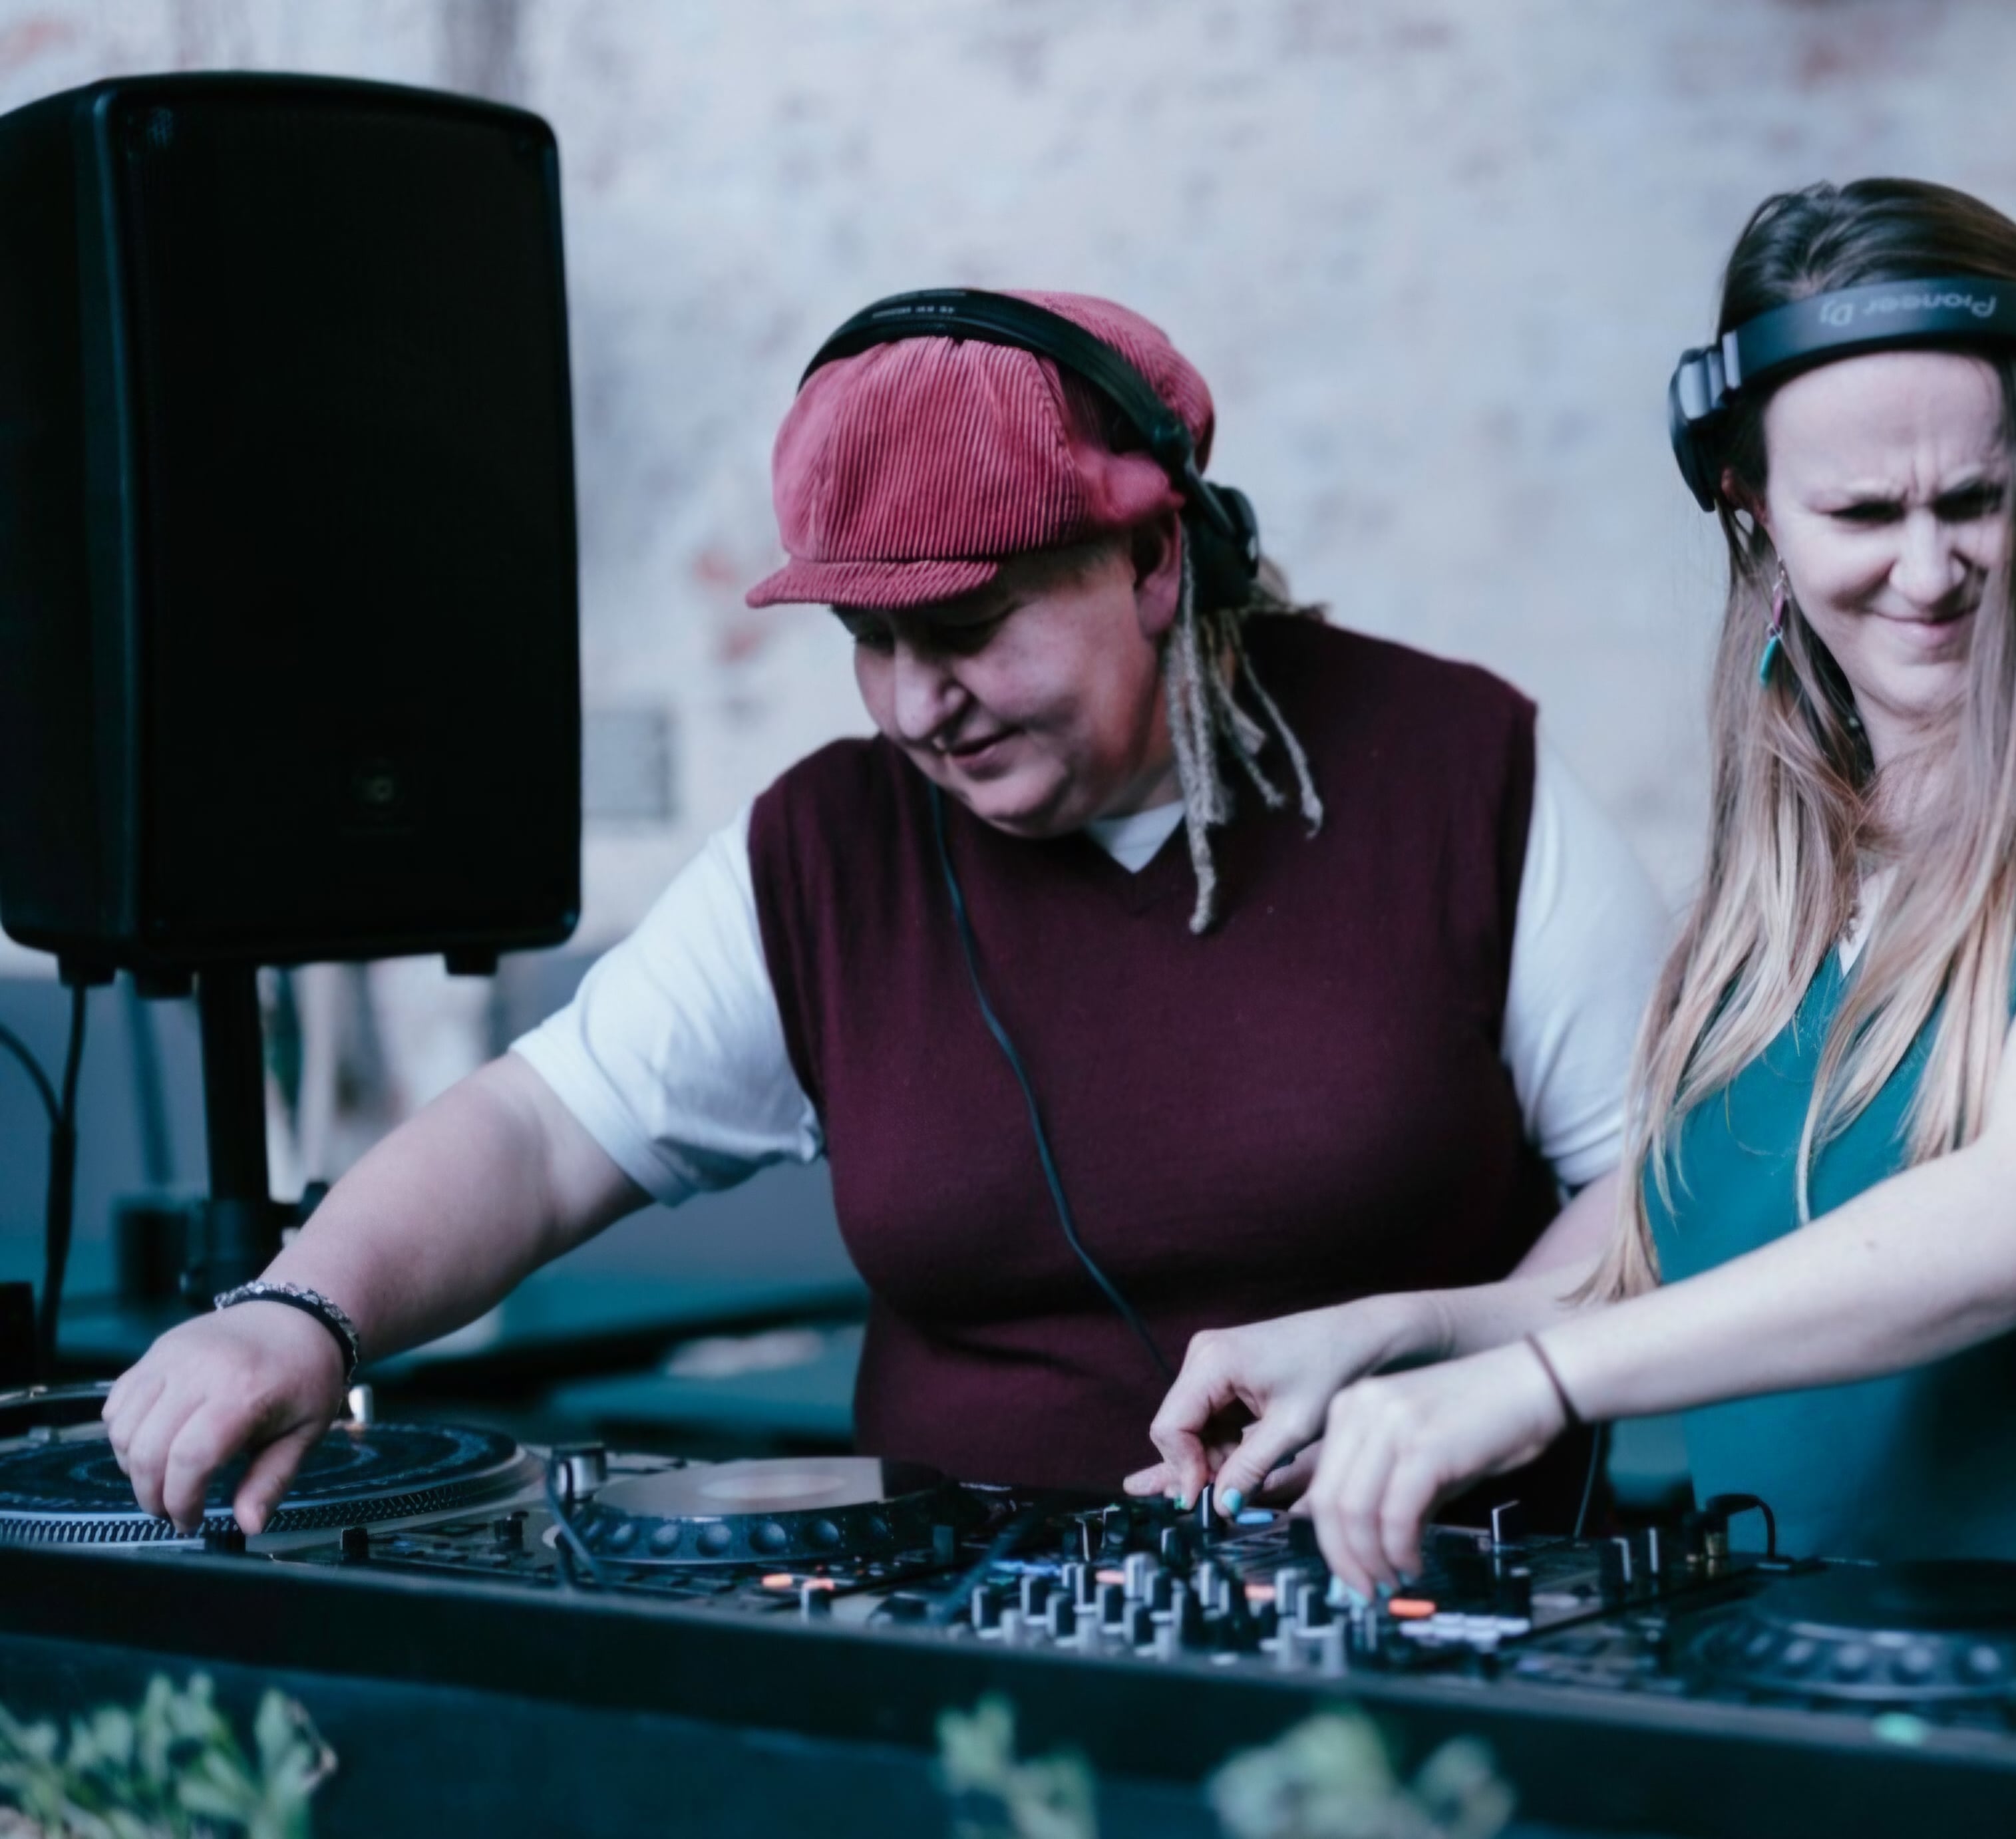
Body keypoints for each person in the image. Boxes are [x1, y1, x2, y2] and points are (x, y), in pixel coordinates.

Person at [101, 289, 1665, 1532]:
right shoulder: (823, 848)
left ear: (1151, 557)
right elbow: (539, 1130)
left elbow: (1657, 1184)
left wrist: (1457, 1356)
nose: (918, 705)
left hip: (1428, 1608)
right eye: (871, 636)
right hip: (940, 1659)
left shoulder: (1460, 769)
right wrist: (299, 1309)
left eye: (971, 626)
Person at [1139, 182, 2016, 1608]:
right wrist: (1397, 1339)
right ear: (1749, 507)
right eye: (1862, 512)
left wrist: (1540, 1382)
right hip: (1855, 1649)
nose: (1929, 569)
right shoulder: (1789, 857)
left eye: (1980, 500)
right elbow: (1683, 1269)